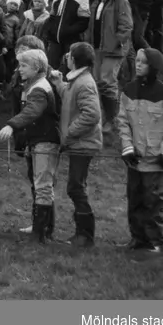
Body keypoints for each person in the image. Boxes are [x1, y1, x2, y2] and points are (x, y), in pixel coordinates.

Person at [118, 47, 163, 253]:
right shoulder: (128, 91)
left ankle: (156, 242)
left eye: (143, 62)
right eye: (136, 61)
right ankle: (138, 239)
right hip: (135, 159)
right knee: (134, 200)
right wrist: (127, 147)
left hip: (155, 160)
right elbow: (122, 122)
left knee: (153, 202)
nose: (138, 65)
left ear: (153, 66)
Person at [0, 48, 61, 244]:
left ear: (36, 67)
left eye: (24, 65)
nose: (19, 69)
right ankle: (42, 229)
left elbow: (33, 111)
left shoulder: (40, 88)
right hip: (37, 140)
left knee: (43, 186)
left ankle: (41, 234)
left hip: (46, 141)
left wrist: (11, 124)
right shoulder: (31, 85)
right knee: (40, 184)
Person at [59, 42, 102, 247]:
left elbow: (91, 114)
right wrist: (59, 84)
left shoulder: (84, 82)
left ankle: (85, 234)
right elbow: (72, 102)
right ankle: (82, 233)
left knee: (76, 187)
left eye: (69, 54)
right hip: (79, 142)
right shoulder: (76, 81)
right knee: (75, 186)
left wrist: (69, 133)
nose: (66, 56)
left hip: (83, 143)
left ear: (74, 59)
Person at [86, 0, 133, 130]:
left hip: (113, 50)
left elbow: (126, 26)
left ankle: (112, 118)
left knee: (107, 82)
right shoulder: (96, 1)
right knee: (97, 82)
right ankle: (102, 116)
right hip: (97, 48)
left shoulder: (121, 1)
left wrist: (117, 43)